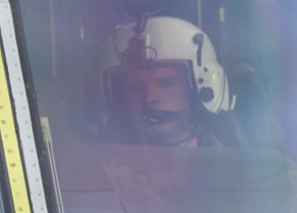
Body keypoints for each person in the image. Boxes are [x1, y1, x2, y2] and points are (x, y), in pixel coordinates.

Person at [101, 15, 236, 148]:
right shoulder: (92, 161)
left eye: (165, 83)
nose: (149, 98)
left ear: (195, 91)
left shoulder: (232, 163)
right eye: (136, 86)